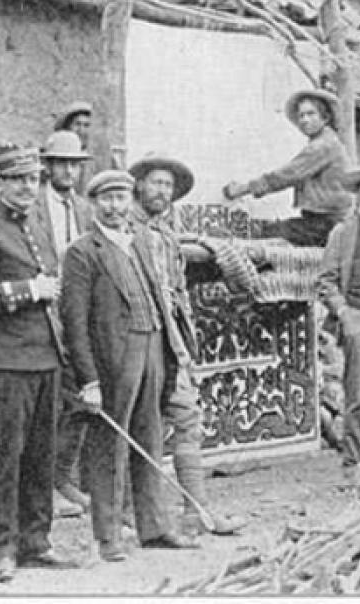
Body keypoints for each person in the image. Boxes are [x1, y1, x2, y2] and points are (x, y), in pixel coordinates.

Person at [61, 170, 197, 562]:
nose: (115, 206)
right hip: (113, 360)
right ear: (94, 204)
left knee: (151, 436)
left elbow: (158, 296)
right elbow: (75, 323)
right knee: (108, 446)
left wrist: (172, 351)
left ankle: (154, 526)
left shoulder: (138, 243)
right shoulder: (83, 252)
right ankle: (108, 535)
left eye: (121, 198)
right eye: (107, 199)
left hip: (152, 346)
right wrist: (88, 379)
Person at [0, 143, 76, 583]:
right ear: (1, 182)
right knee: (8, 456)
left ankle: (37, 542)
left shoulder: (39, 227)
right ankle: (2, 550)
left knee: (41, 457)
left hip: (46, 357)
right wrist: (32, 290)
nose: (27, 187)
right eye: (17, 180)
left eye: (33, 179)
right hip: (8, 360)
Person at [129, 153, 245, 536]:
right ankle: (135, 516)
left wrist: (186, 341)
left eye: (168, 186)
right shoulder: (126, 230)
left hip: (170, 342)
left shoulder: (167, 237)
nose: (161, 191)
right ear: (140, 185)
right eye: (155, 182)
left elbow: (178, 293)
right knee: (140, 426)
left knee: (187, 419)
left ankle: (197, 511)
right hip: (136, 341)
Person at [316, 160, 360, 477]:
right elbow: (326, 281)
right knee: (358, 392)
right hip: (359, 314)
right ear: (359, 194)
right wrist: (343, 312)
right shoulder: (343, 233)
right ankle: (352, 463)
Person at [39, 130, 92, 516]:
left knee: (77, 398)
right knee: (47, 401)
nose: (69, 171)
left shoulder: (84, 209)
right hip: (42, 312)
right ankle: (43, 488)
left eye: (75, 164)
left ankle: (62, 478)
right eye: (62, 164)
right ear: (48, 166)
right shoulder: (33, 208)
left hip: (76, 314)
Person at [223, 89, 352, 247]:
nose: (305, 120)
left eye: (311, 114)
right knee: (269, 229)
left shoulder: (323, 146)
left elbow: (287, 175)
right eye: (301, 116)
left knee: (262, 233)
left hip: (327, 224)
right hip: (322, 222)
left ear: (325, 118)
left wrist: (243, 189)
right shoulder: (325, 142)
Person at [54, 100, 93, 194]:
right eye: (77, 124)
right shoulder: (56, 156)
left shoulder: (94, 160)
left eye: (86, 125)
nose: (81, 130)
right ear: (67, 127)